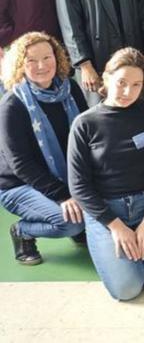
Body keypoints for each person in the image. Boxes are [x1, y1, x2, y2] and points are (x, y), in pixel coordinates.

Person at [68, 48, 144, 301]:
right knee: (127, 289)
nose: (128, 92)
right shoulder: (85, 124)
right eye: (121, 83)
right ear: (106, 79)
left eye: (136, 84)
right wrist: (116, 227)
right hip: (106, 212)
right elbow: (79, 185)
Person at [0, 33, 87, 265]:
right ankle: (23, 232)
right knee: (70, 222)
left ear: (57, 58)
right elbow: (21, 165)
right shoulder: (12, 105)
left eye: (47, 57)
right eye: (31, 60)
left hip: (66, 176)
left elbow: (89, 137)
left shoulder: (71, 89)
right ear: (20, 65)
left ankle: (78, 221)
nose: (41, 66)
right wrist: (64, 195)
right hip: (19, 185)